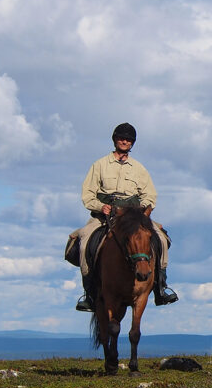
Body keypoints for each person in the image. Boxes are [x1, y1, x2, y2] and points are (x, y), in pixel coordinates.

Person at [73, 122, 178, 312]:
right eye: (121, 138)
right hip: (105, 215)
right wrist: (100, 206)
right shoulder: (99, 165)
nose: (124, 141)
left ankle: (161, 287)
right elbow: (88, 194)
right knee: (83, 240)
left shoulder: (138, 168)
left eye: (128, 139)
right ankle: (88, 293)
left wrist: (144, 210)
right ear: (115, 140)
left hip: (133, 216)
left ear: (132, 143)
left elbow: (150, 195)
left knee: (161, 238)